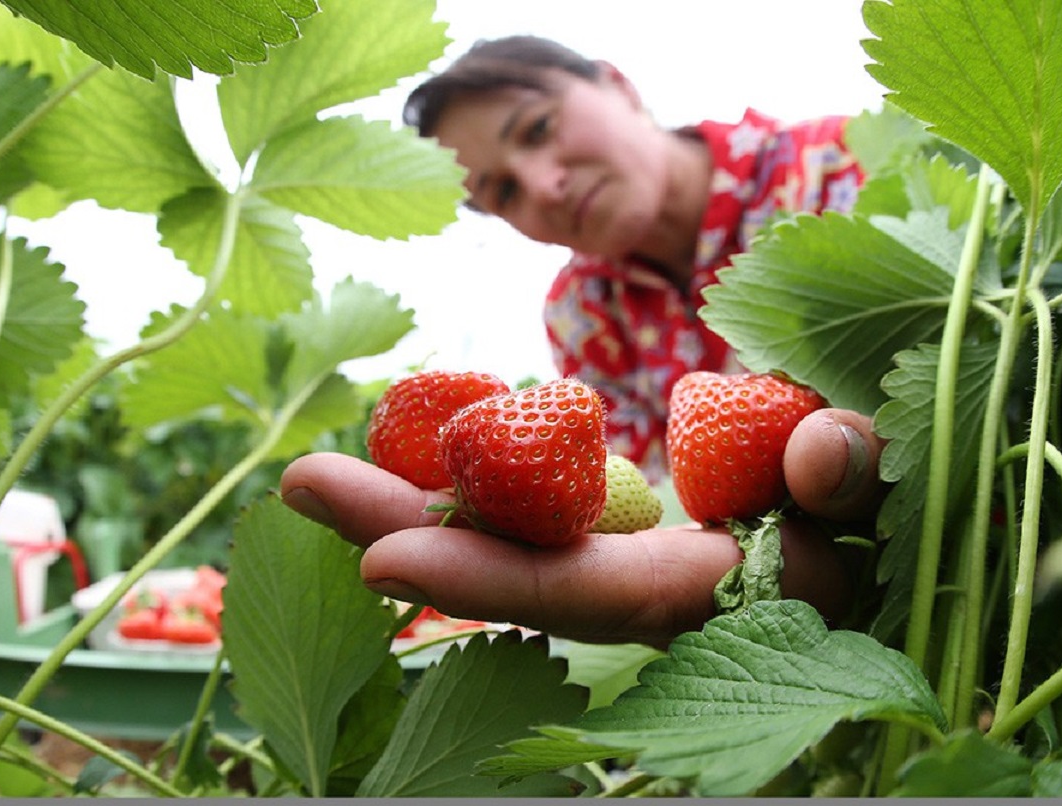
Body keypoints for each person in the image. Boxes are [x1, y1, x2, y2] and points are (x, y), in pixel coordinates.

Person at [280, 36, 885, 649]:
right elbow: (641, 497)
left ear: (616, 83)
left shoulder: (839, 165)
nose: (544, 185)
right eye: (505, 192)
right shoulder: (581, 312)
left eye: (539, 129)